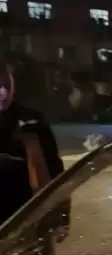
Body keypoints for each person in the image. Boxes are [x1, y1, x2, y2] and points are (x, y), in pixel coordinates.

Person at [0, 60, 67, 240]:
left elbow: (55, 171)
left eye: (6, 84)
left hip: (30, 225)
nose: (3, 92)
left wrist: (62, 218)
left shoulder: (32, 121)